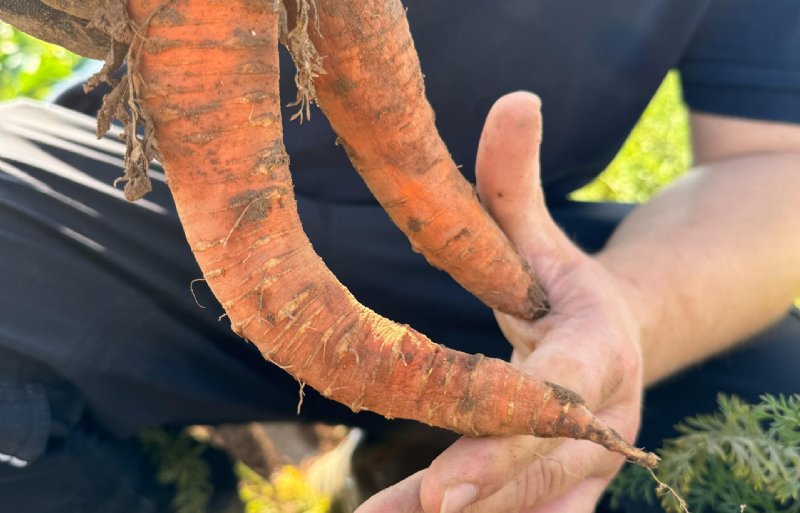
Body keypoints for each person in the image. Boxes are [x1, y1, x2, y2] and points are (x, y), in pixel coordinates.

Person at [1, 1, 799, 512]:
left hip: (501, 255)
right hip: (132, 202)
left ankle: (389, 455)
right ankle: (168, 489)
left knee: (781, 417)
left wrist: (632, 310)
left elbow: (770, 167)